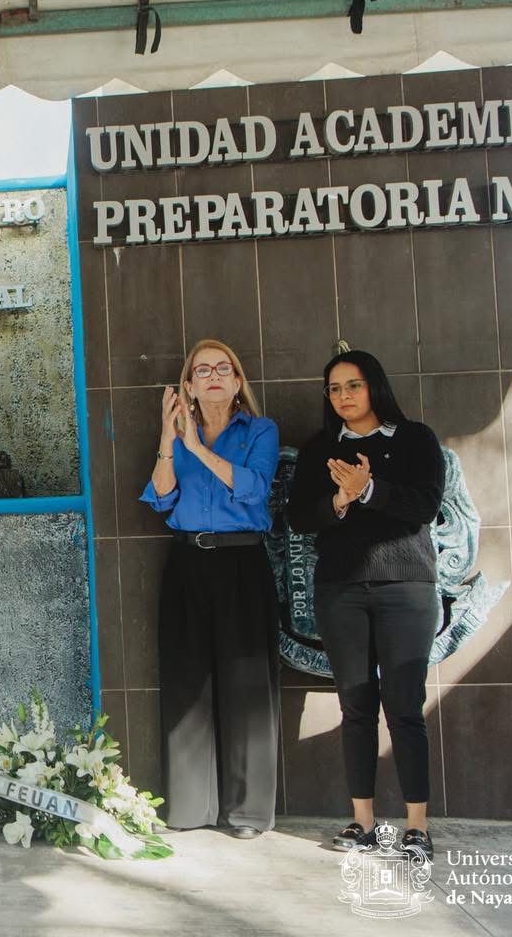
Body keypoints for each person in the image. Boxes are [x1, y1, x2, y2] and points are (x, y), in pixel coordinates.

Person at [288, 349, 443, 862]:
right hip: (342, 590)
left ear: (374, 386)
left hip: (406, 588)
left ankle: (416, 827)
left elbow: (424, 506)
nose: (343, 396)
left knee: (404, 705)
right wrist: (339, 501)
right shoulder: (319, 450)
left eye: (352, 385)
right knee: (356, 706)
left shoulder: (415, 439)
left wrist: (369, 488)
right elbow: (299, 518)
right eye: (334, 389)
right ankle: (364, 821)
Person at [139, 338, 280, 839]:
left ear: (238, 381)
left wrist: (197, 447)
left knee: (247, 687)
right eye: (203, 370)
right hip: (188, 561)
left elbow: (254, 488)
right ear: (189, 387)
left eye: (225, 368)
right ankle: (190, 806)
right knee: (187, 682)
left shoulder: (259, 431)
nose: (214, 375)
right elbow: (160, 496)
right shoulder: (177, 434)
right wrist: (168, 434)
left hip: (243, 561)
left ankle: (246, 812)